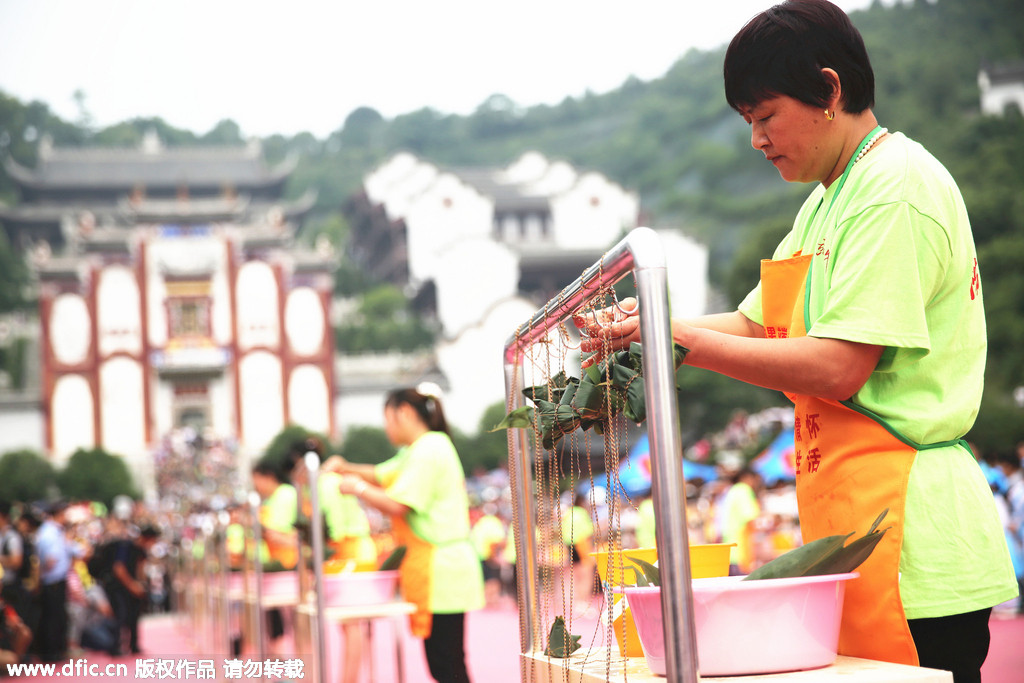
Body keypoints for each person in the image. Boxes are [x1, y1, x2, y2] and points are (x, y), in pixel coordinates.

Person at [576, 2, 1017, 680]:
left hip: (915, 541)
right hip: (850, 527)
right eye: (748, 122)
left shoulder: (892, 187)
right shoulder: (823, 201)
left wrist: (679, 335)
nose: (756, 139)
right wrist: (650, 329)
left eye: (764, 116)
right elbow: (758, 326)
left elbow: (839, 366)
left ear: (829, 90)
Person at [323, 384, 484, 683]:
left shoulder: (429, 448)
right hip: (437, 567)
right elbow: (381, 473)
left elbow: (399, 504)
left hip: (442, 568)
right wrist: (345, 467)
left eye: (387, 418)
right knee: (445, 663)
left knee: (447, 664)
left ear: (404, 412)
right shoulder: (418, 450)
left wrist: (356, 488)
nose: (386, 427)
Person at [284, 438, 375, 683]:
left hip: (351, 552)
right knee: (347, 625)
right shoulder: (314, 485)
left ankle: (349, 680)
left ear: (301, 465)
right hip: (342, 553)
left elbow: (332, 530)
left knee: (351, 624)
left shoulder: (324, 484)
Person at [105, 525, 160, 655]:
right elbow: (119, 568)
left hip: (132, 588)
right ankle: (116, 647)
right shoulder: (126, 547)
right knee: (120, 615)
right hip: (118, 588)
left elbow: (141, 568)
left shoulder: (142, 551)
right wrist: (132, 586)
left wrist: (141, 585)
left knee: (134, 615)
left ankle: (133, 645)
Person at [719, 467, 762, 575]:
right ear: (747, 478)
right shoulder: (743, 490)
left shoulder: (733, 490)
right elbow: (751, 518)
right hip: (741, 551)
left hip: (731, 550)